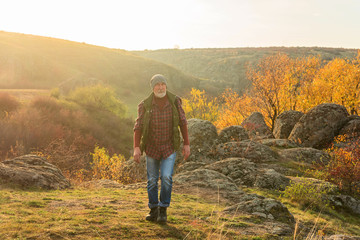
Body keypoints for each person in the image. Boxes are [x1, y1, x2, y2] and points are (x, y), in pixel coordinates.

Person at [133, 74, 191, 223]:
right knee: (152, 180)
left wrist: (186, 144)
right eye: (157, 85)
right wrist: (136, 147)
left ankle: (163, 209)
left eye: (162, 84)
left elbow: (183, 122)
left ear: (166, 85)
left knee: (166, 177)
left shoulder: (175, 101)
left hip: (169, 147)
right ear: (152, 88)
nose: (160, 87)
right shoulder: (144, 105)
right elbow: (138, 127)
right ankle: (153, 210)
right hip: (151, 148)